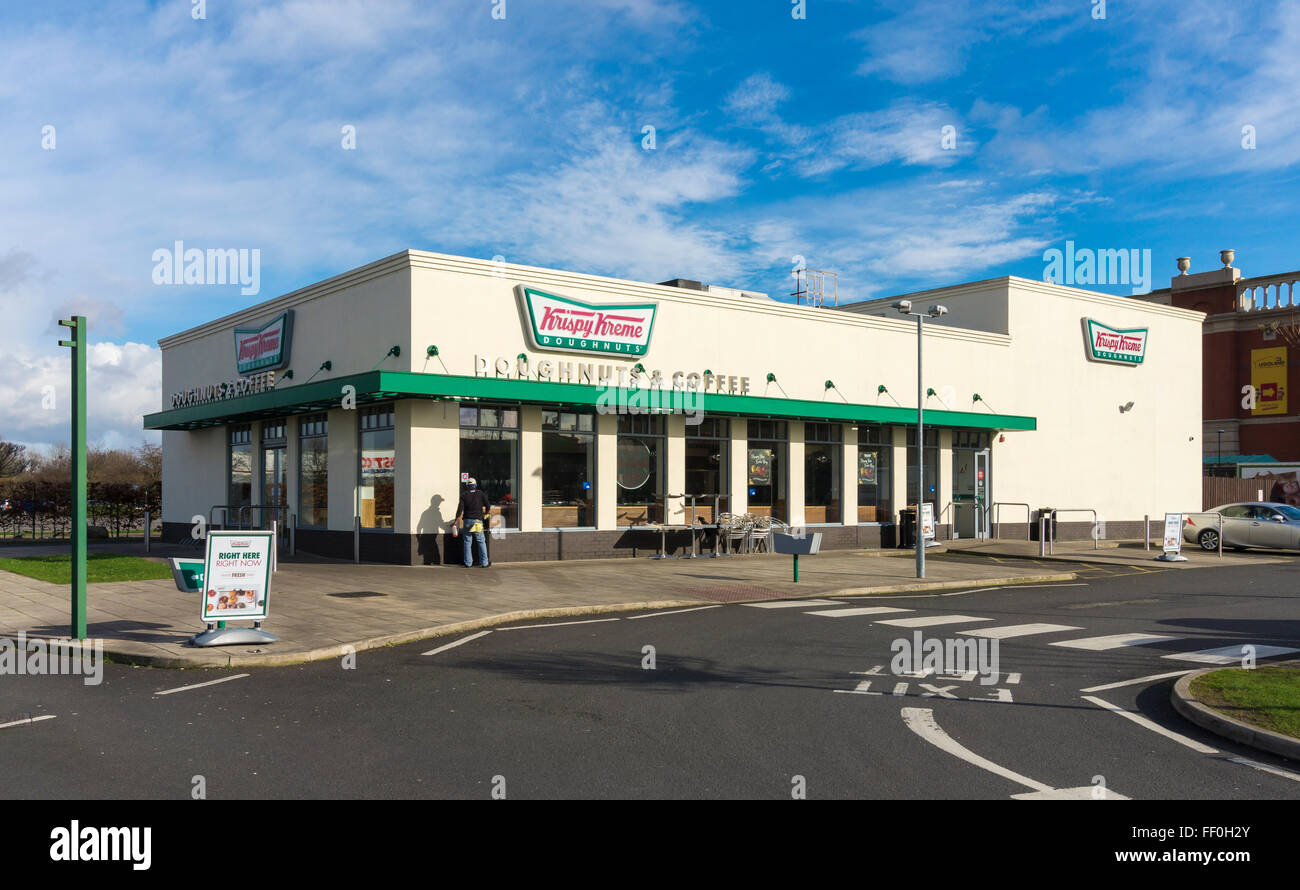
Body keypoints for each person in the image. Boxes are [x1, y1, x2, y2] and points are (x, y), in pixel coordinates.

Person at [454, 478, 492, 567]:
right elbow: (488, 505)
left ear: (467, 486)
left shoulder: (464, 495)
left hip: (467, 520)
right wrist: (486, 513)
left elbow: (460, 509)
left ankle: (468, 563)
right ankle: (484, 563)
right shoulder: (480, 493)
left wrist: (456, 520)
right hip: (477, 521)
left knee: (467, 541)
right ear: (475, 485)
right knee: (481, 541)